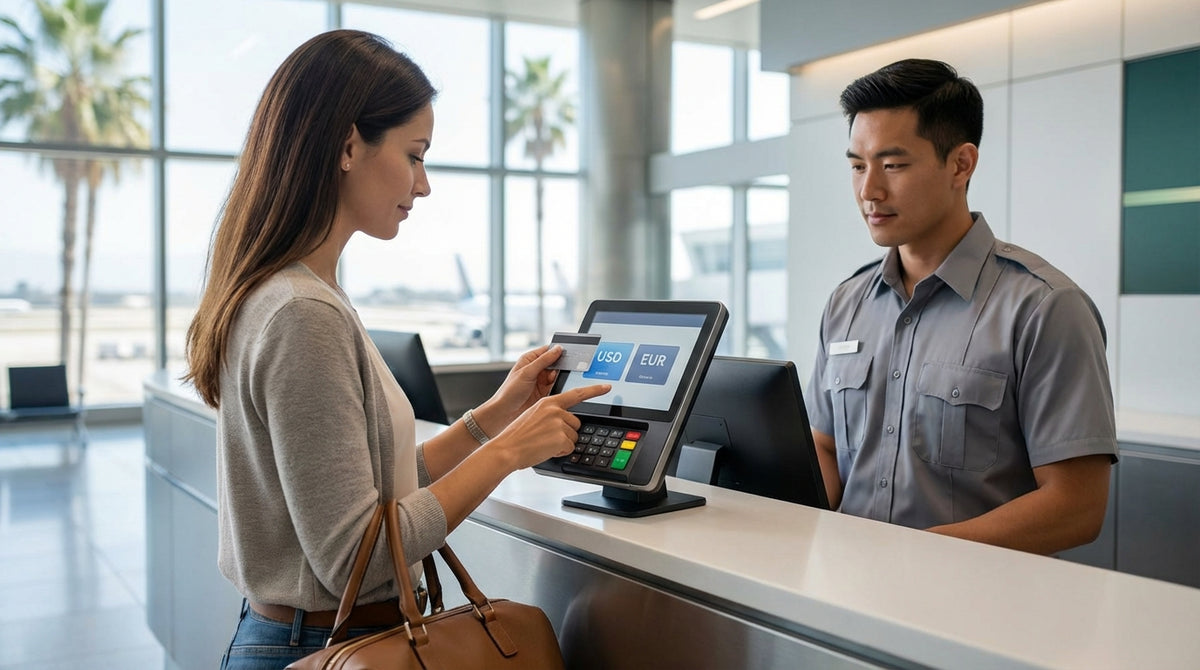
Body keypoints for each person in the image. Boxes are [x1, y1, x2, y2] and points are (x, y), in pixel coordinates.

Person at [184, 30, 610, 669]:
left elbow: (372, 495)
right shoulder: (304, 312)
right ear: (349, 146)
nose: (425, 183)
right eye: (414, 155)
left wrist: (493, 418)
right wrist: (507, 454)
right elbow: (355, 553)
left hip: (299, 640)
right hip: (323, 647)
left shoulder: (294, 292)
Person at [806, 58, 1117, 555]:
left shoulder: (1045, 308)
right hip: (846, 590)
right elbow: (824, 447)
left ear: (961, 164)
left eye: (893, 165)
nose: (869, 191)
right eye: (858, 166)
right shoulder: (846, 303)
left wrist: (917, 556)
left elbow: (1076, 505)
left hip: (979, 609)